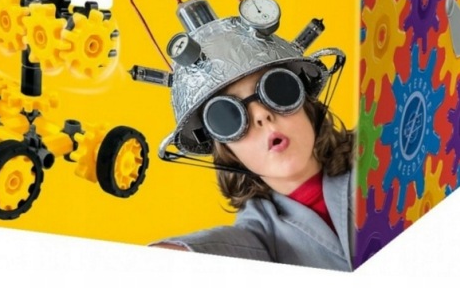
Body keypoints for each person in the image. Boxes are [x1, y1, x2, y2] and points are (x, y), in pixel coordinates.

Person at [152, 65, 355, 271]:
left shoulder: (375, 147)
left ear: (306, 103)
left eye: (276, 88)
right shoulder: (259, 236)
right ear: (229, 153)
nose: (261, 114)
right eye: (229, 115)